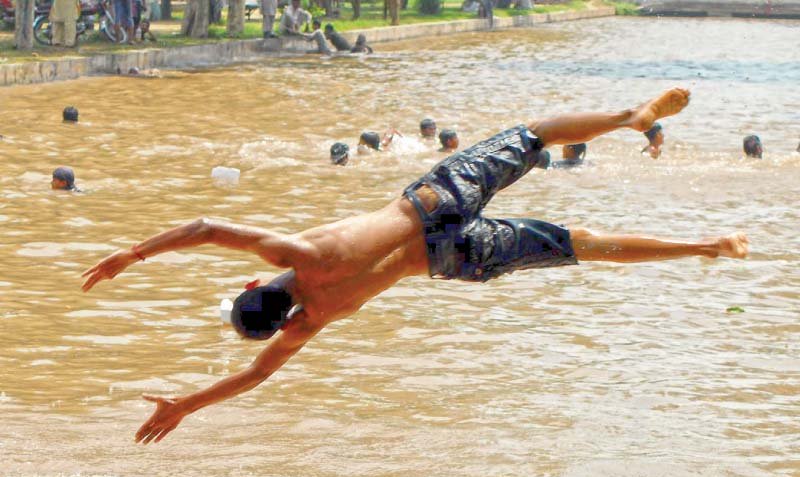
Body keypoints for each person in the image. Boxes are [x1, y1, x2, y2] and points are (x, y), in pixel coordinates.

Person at [81, 88, 749, 445]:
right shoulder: (299, 255)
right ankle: (628, 116)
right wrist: (132, 254)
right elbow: (207, 227)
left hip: (449, 257)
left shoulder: (314, 318)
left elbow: (255, 376)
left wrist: (186, 406)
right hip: (431, 204)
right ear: (258, 284)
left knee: (586, 244)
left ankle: (706, 246)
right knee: (535, 136)